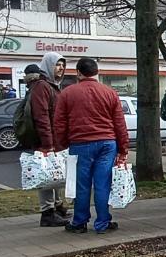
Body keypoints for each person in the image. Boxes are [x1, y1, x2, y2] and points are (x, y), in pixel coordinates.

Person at [53, 58, 128, 234]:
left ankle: (79, 222)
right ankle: (102, 223)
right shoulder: (109, 92)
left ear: (78, 72)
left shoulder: (67, 93)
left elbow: (59, 123)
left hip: (80, 144)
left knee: (82, 185)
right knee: (103, 184)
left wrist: (62, 143)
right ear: (97, 72)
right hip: (107, 144)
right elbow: (119, 123)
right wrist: (123, 148)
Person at [29, 52, 68, 227]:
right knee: (45, 176)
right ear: (48, 65)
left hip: (55, 140)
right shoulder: (42, 86)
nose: (60, 68)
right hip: (47, 141)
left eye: (62, 65)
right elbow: (41, 116)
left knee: (55, 174)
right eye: (57, 64)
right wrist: (48, 143)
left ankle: (57, 207)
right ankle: (47, 213)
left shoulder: (53, 85)